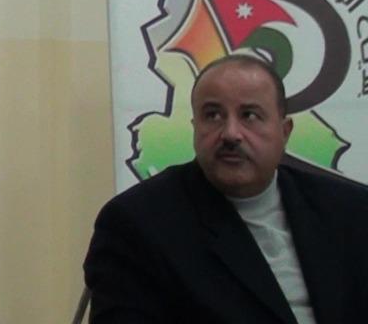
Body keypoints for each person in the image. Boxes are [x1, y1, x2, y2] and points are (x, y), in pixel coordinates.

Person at [83, 54, 368, 323]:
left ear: (285, 131)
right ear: (195, 127)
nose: (231, 133)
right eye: (213, 115)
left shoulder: (351, 211)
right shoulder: (138, 224)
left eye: (250, 115)